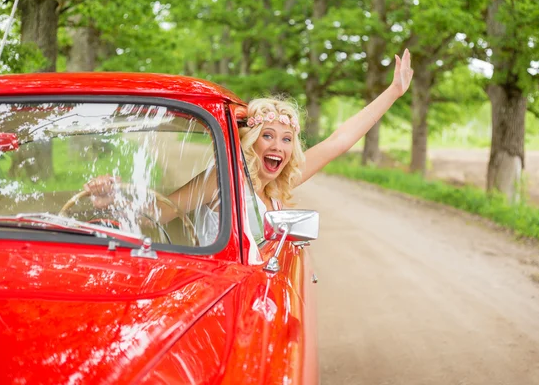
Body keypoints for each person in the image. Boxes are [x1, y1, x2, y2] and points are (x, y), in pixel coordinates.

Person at [84, 49, 413, 244]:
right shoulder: (224, 181)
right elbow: (163, 209)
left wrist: (394, 92)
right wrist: (120, 194)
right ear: (252, 142)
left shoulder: (276, 190)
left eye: (287, 140)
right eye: (267, 136)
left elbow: (337, 142)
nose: (278, 147)